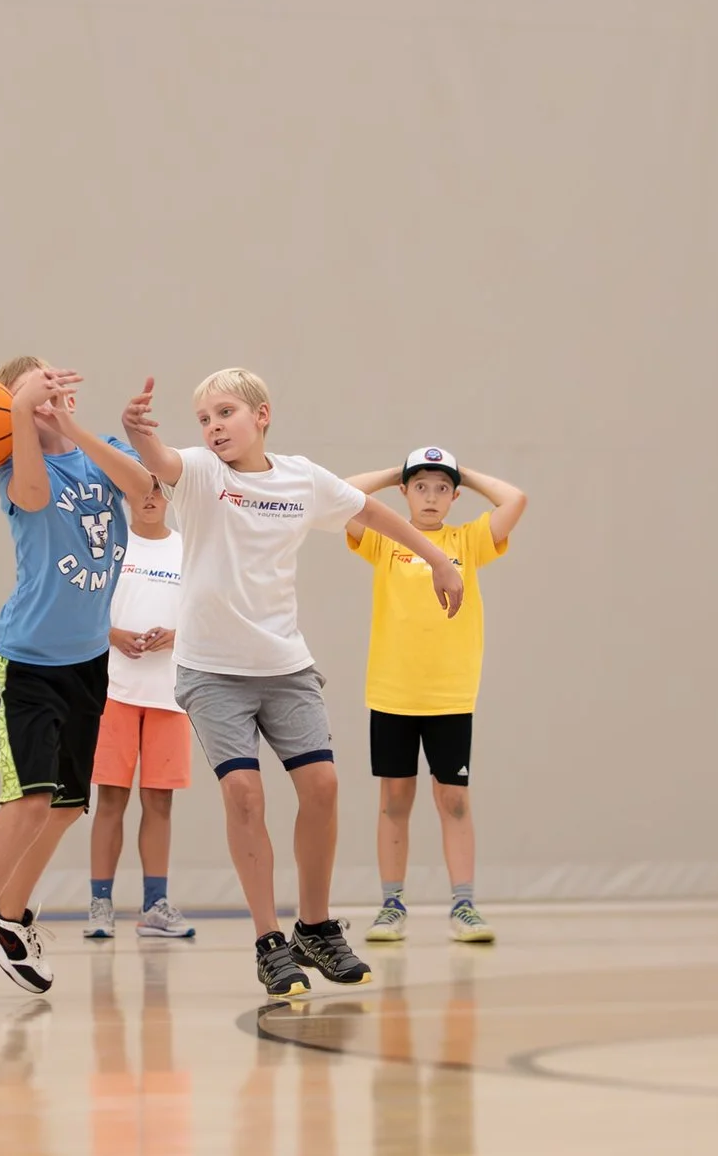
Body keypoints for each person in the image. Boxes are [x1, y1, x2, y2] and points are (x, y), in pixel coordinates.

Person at [120, 369, 467, 999]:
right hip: (212, 672)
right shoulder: (200, 472)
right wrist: (139, 435)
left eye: (225, 413)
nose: (213, 427)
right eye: (203, 418)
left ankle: (315, 927)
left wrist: (440, 558)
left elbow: (372, 512)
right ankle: (268, 942)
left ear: (262, 414)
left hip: (286, 667)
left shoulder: (302, 478)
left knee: (324, 787)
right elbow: (162, 460)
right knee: (246, 797)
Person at [0, 359, 159, 1008]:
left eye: (57, 388)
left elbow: (146, 494)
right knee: (27, 800)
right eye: (37, 391)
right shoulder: (12, 468)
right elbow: (32, 498)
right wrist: (20, 414)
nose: (53, 397)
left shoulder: (98, 452)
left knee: (65, 807)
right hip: (24, 661)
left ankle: (9, 916)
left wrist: (71, 426)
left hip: (88, 662)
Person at [337, 447, 529, 945]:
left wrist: (462, 471)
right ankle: (391, 905)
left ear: (454, 496)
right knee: (394, 800)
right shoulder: (385, 538)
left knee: (454, 801)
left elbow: (516, 500)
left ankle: (464, 905)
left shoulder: (468, 540)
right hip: (392, 691)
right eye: (420, 485)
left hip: (450, 694)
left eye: (442, 487)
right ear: (405, 491)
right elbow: (342, 495)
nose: (430, 496)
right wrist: (393, 471)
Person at [87, 479, 197, 940]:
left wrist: (177, 634)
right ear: (126, 495)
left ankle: (155, 905)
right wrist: (114, 636)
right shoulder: (111, 544)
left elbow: (206, 609)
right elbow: (86, 604)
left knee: (160, 800)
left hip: (169, 694)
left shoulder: (188, 549)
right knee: (111, 797)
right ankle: (100, 904)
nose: (150, 497)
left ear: (171, 496)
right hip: (114, 690)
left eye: (158, 490)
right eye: (140, 489)